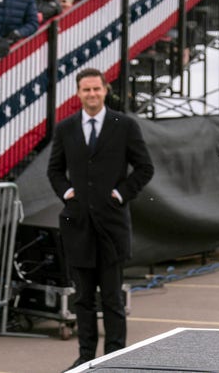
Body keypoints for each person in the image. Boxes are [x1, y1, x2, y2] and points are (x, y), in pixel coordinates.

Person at [46, 68, 154, 370]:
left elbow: (145, 168)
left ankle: (115, 359)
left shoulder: (125, 126)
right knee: (82, 299)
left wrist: (121, 194)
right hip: (78, 226)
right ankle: (86, 358)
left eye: (96, 89)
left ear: (106, 90)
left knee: (112, 299)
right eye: (86, 90)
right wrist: (66, 192)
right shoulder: (66, 128)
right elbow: (54, 170)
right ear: (78, 93)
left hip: (112, 227)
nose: (92, 95)